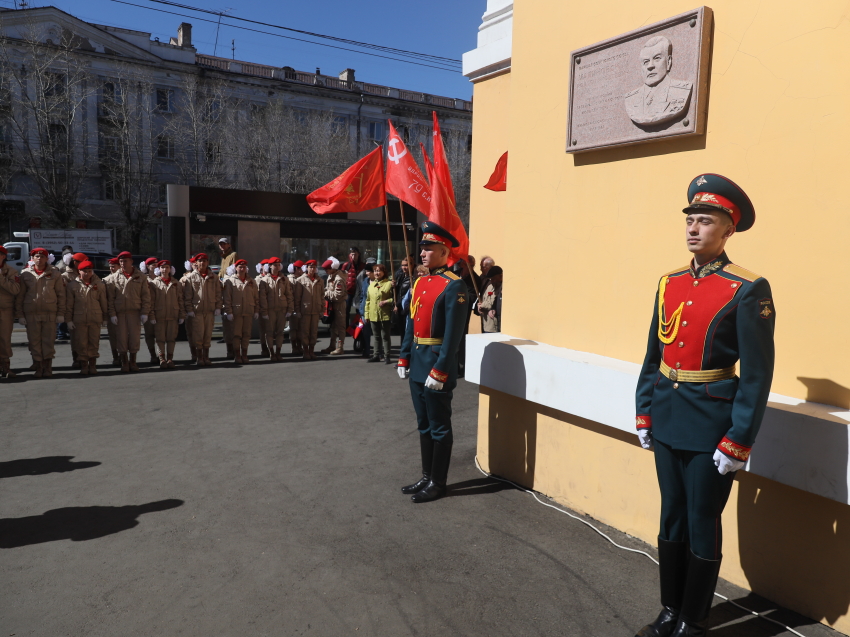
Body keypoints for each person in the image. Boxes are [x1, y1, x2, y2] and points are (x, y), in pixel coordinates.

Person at [634, 174, 775, 637]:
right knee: (671, 513)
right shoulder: (669, 282)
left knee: (701, 519)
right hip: (667, 413)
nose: (694, 228)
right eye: (690, 220)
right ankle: (670, 610)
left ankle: (694, 620)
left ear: (728, 229)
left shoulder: (748, 288)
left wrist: (739, 439)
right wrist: (644, 409)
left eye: (706, 221)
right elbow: (653, 354)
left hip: (712, 422)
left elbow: (756, 374)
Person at [397, 222, 468, 503]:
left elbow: (453, 335)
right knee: (423, 423)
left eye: (428, 249)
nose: (422, 253)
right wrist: (404, 356)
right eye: (422, 248)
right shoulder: (420, 282)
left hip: (436, 365)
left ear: (443, 252)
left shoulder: (454, 285)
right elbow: (411, 323)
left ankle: (438, 483)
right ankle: (426, 476)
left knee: (439, 426)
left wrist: (441, 370)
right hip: (418, 362)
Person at [15, 248, 66, 378]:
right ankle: (38, 366)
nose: (39, 259)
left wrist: (61, 313)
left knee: (48, 341)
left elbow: (61, 294)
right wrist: (20, 315)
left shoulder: (55, 273)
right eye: (36, 256)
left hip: (49, 313)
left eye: (42, 256)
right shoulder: (25, 274)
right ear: (32, 258)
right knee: (34, 341)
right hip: (31, 313)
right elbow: (20, 296)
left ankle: (47, 367)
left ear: (46, 259)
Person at [105, 251, 151, 373]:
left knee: (134, 338)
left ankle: (133, 362)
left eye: (125, 261)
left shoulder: (141, 277)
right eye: (121, 261)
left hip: (134, 312)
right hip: (120, 313)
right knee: (121, 338)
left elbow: (146, 296)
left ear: (131, 261)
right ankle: (124, 362)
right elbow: (111, 299)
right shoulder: (114, 278)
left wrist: (145, 312)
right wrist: (112, 314)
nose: (123, 263)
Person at [65, 260, 106, 375]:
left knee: (94, 342)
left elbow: (103, 302)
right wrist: (68, 320)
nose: (87, 274)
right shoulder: (72, 285)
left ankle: (92, 365)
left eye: (89, 271)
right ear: (79, 271)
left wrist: (105, 317)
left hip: (95, 318)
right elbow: (69, 305)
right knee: (81, 343)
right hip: (79, 319)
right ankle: (84, 365)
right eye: (84, 271)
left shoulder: (99, 284)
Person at [182, 252, 221, 367]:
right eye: (200, 261)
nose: (202, 263)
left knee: (208, 335)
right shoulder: (191, 277)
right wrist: (189, 309)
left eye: (204, 261)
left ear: (208, 262)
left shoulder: (214, 277)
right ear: (196, 263)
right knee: (198, 335)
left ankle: (206, 357)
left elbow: (218, 294)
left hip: (209, 310)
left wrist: (218, 307)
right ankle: (199, 357)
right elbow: (188, 296)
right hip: (197, 311)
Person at [149, 260, 184, 369]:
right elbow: (151, 301)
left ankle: (170, 358)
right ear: (159, 269)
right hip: (159, 315)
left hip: (173, 315)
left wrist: (182, 315)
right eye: (162, 267)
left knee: (171, 338)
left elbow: (180, 300)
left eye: (167, 267)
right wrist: (152, 315)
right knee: (160, 338)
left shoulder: (176, 283)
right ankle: (162, 359)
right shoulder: (154, 283)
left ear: (170, 269)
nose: (164, 269)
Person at [223, 259, 259, 364]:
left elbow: (256, 297)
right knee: (236, 335)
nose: (242, 269)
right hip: (236, 312)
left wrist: (256, 310)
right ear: (236, 268)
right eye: (240, 267)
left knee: (246, 334)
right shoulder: (230, 281)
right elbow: (227, 298)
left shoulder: (251, 281)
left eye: (244, 267)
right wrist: (229, 312)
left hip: (248, 311)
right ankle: (237, 355)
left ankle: (244, 354)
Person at [452, 257, 482, 377]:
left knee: (460, 339)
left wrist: (456, 296)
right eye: (462, 263)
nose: (460, 265)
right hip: (450, 311)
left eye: (470, 265)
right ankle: (451, 366)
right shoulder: (454, 274)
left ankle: (460, 367)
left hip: (462, 313)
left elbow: (472, 296)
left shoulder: (475, 279)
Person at [259, 256, 293, 362]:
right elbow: (262, 297)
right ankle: (271, 352)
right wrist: (264, 311)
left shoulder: (284, 279)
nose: (277, 267)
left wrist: (290, 309)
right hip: (270, 310)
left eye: (278, 265)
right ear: (270, 266)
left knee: (280, 332)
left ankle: (278, 352)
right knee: (269, 332)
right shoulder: (264, 280)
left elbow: (289, 295)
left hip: (282, 309)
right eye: (275, 265)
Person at [60, 251, 88, 368]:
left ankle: (85, 359)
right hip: (72, 309)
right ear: (75, 263)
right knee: (75, 337)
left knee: (87, 337)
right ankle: (76, 359)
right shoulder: (66, 276)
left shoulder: (87, 272)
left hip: (86, 308)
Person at [293, 259, 324, 360]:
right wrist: (297, 310)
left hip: (316, 310)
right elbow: (297, 297)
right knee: (305, 332)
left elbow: (322, 296)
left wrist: (322, 309)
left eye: (314, 267)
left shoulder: (320, 280)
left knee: (314, 332)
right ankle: (306, 351)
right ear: (306, 268)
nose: (312, 269)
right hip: (305, 310)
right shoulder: (300, 280)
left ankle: (312, 350)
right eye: (310, 267)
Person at [364, 263, 394, 364]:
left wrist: (386, 301)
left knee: (385, 336)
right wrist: (367, 314)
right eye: (375, 271)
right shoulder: (371, 285)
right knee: (376, 336)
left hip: (385, 314)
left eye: (379, 271)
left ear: (384, 272)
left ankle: (387, 356)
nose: (377, 273)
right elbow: (368, 301)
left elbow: (394, 299)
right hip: (373, 314)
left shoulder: (389, 284)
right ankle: (376, 355)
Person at [0, 245, 21, 379]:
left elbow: (15, 289)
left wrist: (1, 278)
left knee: (4, 339)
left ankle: (5, 366)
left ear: (3, 256)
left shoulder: (11, 271)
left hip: (5, 310)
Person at [321, 257, 347, 355]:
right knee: (333, 326)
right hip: (332, 304)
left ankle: (340, 347)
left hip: (339, 304)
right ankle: (332, 345)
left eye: (327, 269)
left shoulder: (339, 279)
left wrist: (325, 293)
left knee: (340, 326)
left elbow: (337, 295)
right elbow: (328, 289)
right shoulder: (330, 276)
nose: (326, 271)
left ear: (333, 268)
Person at [218, 237, 238, 352]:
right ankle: (226, 336)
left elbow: (232, 269)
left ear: (229, 245)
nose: (222, 246)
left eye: (224, 244)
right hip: (223, 283)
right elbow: (221, 271)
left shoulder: (233, 255)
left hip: (229, 283)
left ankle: (231, 339)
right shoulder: (223, 256)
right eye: (220, 244)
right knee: (224, 313)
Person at [140, 257, 159, 365]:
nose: (155, 266)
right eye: (153, 265)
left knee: (160, 334)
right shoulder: (143, 278)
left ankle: (161, 355)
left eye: (156, 264)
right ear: (147, 266)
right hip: (148, 309)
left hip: (160, 309)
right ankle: (153, 355)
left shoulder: (161, 277)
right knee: (149, 334)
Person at [179, 258, 198, 364]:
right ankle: (194, 353)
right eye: (194, 264)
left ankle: (202, 354)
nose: (196, 266)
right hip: (189, 310)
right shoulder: (184, 279)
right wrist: (184, 310)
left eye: (197, 264)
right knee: (191, 333)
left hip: (201, 309)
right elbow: (181, 295)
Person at [105, 256, 121, 366]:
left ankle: (123, 356)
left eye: (114, 266)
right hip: (111, 311)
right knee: (113, 336)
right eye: (110, 266)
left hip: (122, 311)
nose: (111, 268)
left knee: (124, 336)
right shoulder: (106, 280)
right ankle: (115, 356)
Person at [341, 246, 364, 322]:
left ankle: (357, 327)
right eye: (352, 254)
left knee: (359, 311)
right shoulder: (346, 265)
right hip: (348, 291)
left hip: (359, 292)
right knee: (346, 310)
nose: (353, 256)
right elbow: (341, 277)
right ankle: (346, 327)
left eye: (355, 254)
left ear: (358, 254)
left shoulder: (362, 265)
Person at [357, 262, 375, 358]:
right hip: (365, 310)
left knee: (377, 333)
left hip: (375, 310)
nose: (366, 273)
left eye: (368, 271)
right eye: (366, 271)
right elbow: (362, 295)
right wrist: (361, 309)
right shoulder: (365, 281)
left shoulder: (379, 282)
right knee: (365, 332)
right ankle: (366, 350)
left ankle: (378, 352)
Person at [287, 260, 304, 356]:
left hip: (301, 307)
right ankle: (294, 347)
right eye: (301, 269)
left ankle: (299, 346)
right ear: (297, 269)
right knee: (294, 328)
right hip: (293, 307)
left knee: (300, 328)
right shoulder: (290, 280)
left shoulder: (301, 278)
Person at [479, 266, 503, 333]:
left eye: (494, 279)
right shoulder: (490, 287)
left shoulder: (502, 288)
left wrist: (482, 305)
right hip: (487, 324)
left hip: (496, 325)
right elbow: (484, 300)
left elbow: (491, 304)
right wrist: (479, 306)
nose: (492, 281)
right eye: (491, 279)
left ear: (500, 277)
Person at [393, 257, 411, 344]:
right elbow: (397, 291)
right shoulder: (400, 275)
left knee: (407, 331)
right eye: (403, 265)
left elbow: (405, 295)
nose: (404, 267)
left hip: (406, 307)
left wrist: (397, 304)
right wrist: (393, 285)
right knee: (401, 331)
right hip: (399, 307)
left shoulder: (413, 278)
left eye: (406, 265)